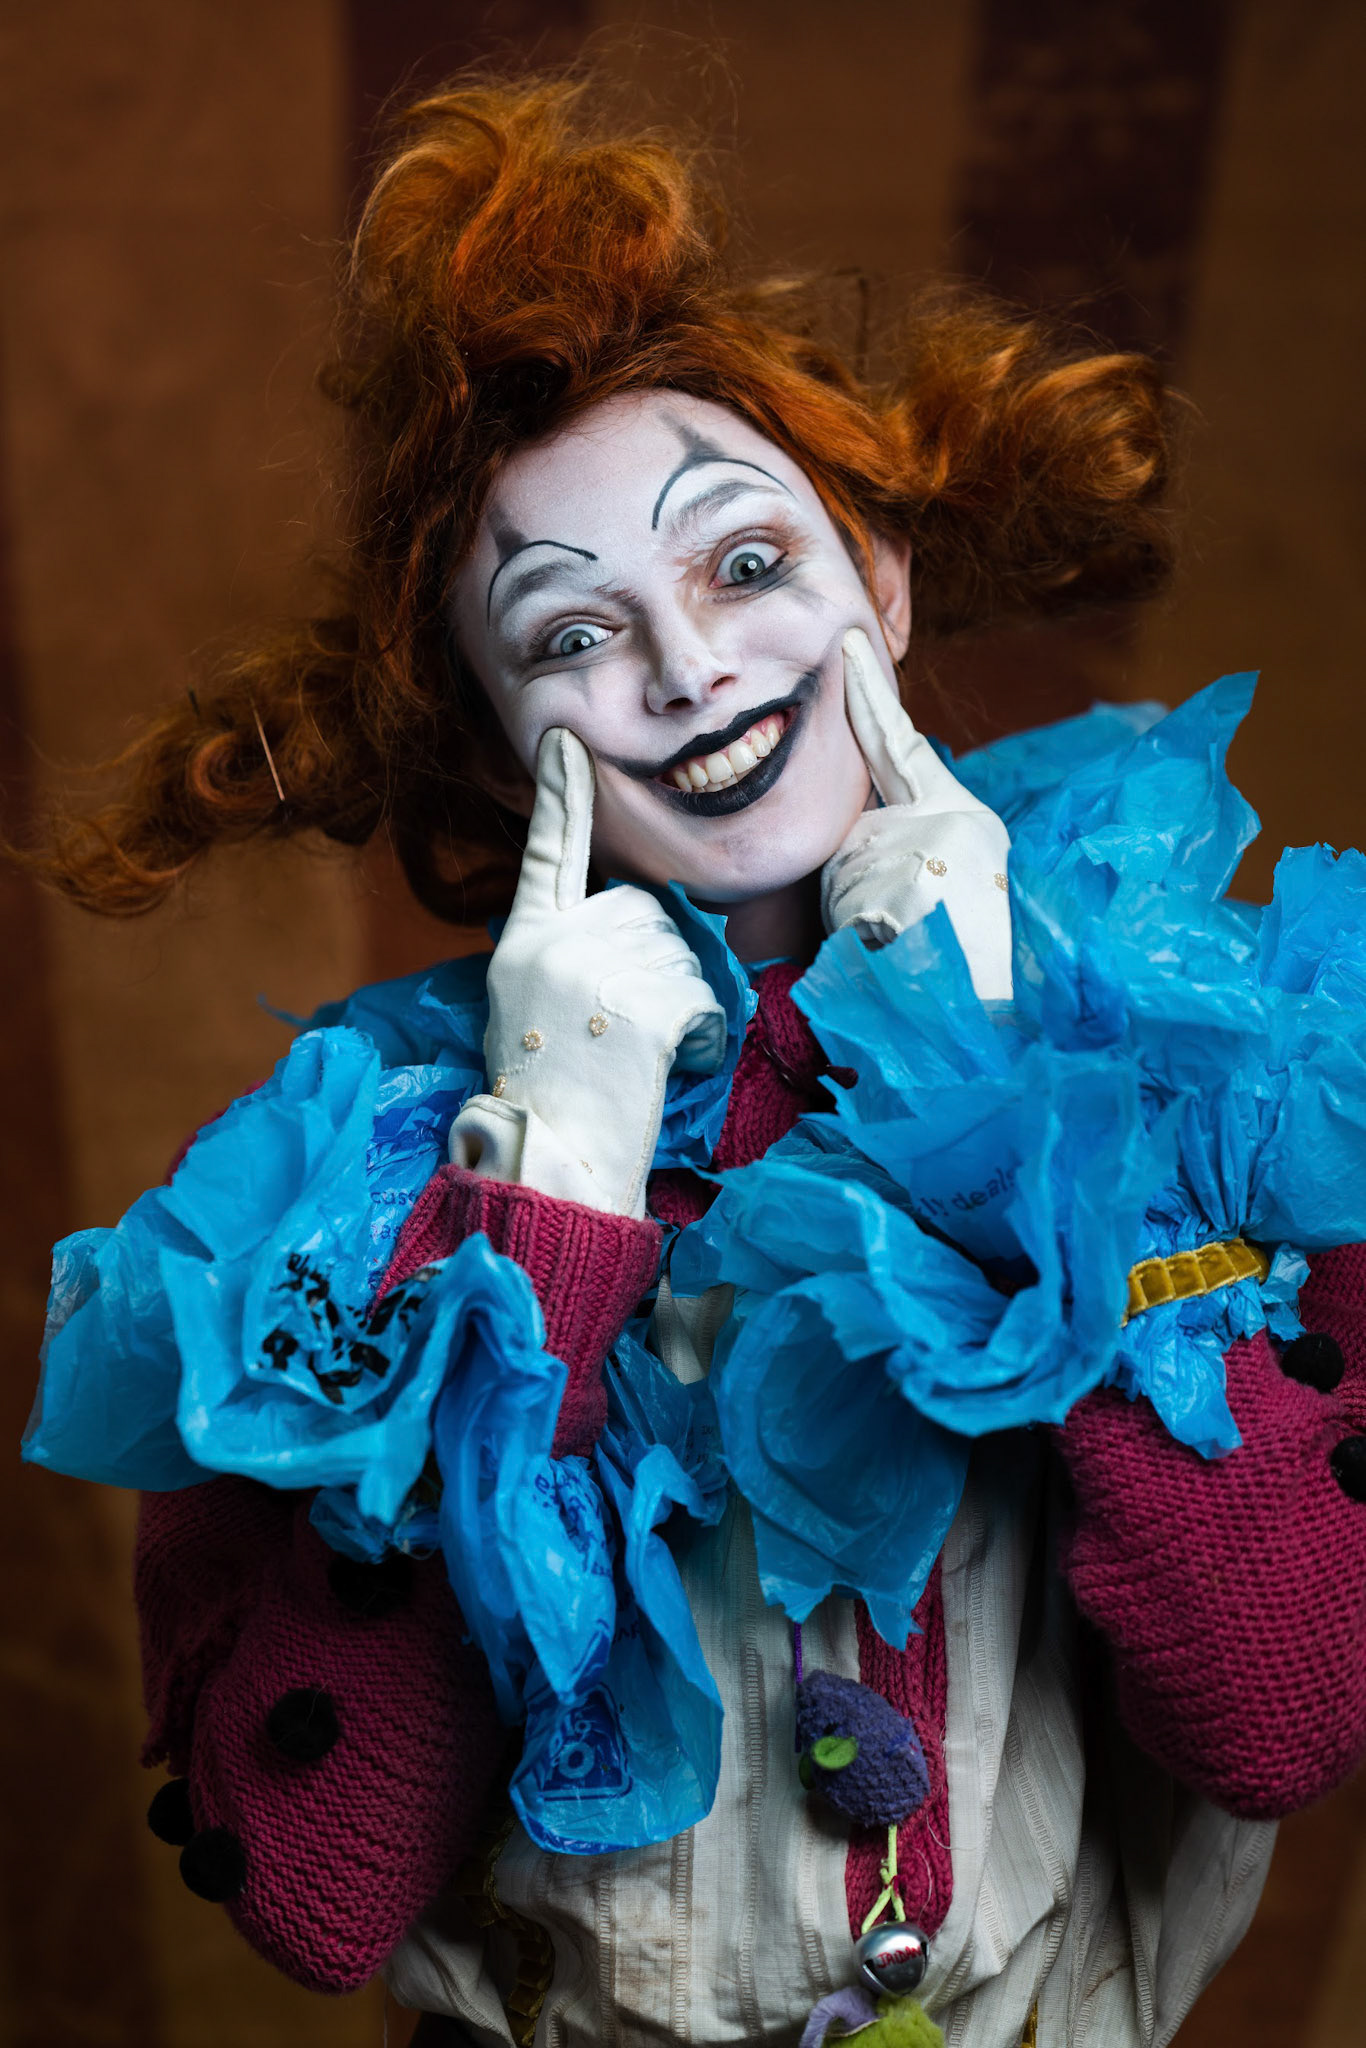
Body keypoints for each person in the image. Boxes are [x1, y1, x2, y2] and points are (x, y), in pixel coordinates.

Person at [21, 74, 1366, 2048]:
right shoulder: (347, 1182)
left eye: (742, 566)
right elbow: (318, 1891)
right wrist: (547, 1199)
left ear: (875, 580)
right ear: (497, 740)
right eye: (570, 635)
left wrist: (1019, 1078)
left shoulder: (1196, 1055)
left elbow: (1278, 1713)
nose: (685, 670)